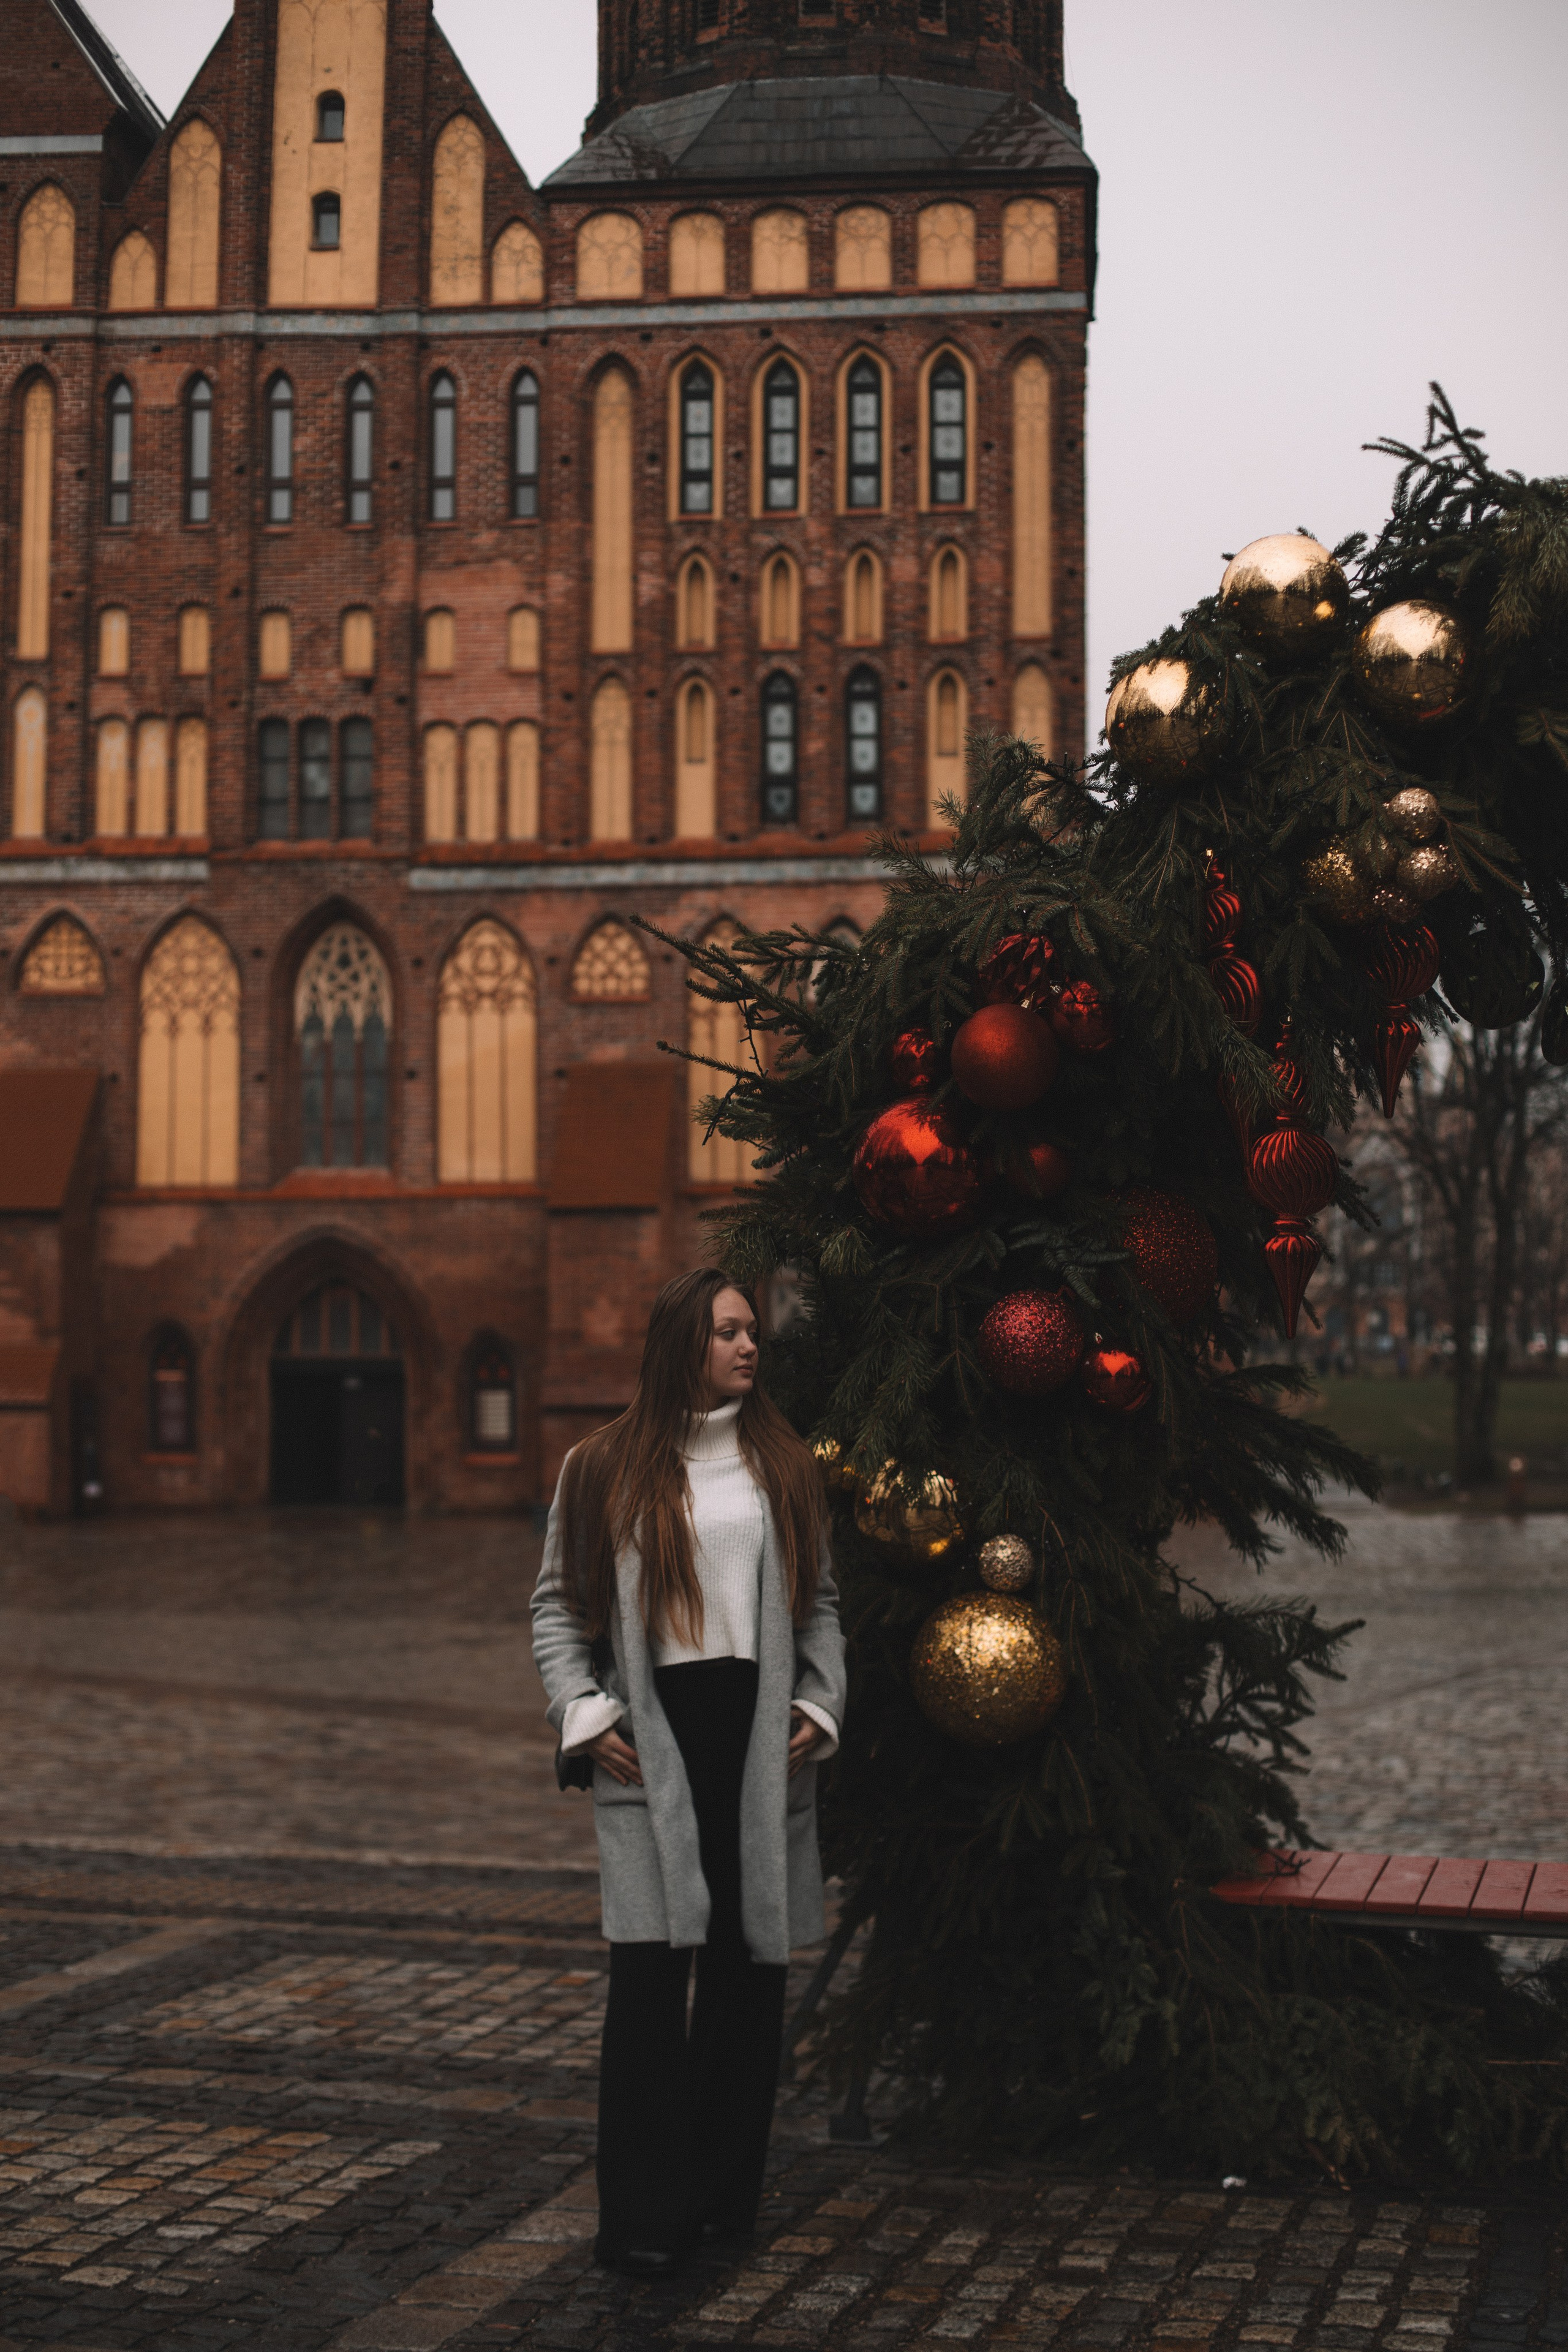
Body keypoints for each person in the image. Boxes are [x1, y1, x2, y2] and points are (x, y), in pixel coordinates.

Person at [530, 1267, 846, 2279]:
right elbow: (555, 1608)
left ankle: (717, 2203)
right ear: (681, 1344)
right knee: (649, 1977)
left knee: (749, 1980)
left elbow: (821, 1606)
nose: (750, 1346)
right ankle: (643, 2217)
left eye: (752, 1331)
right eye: (727, 1331)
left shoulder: (783, 1465)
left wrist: (819, 1704)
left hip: (758, 1739)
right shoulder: (602, 1467)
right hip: (651, 1744)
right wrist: (583, 1714)